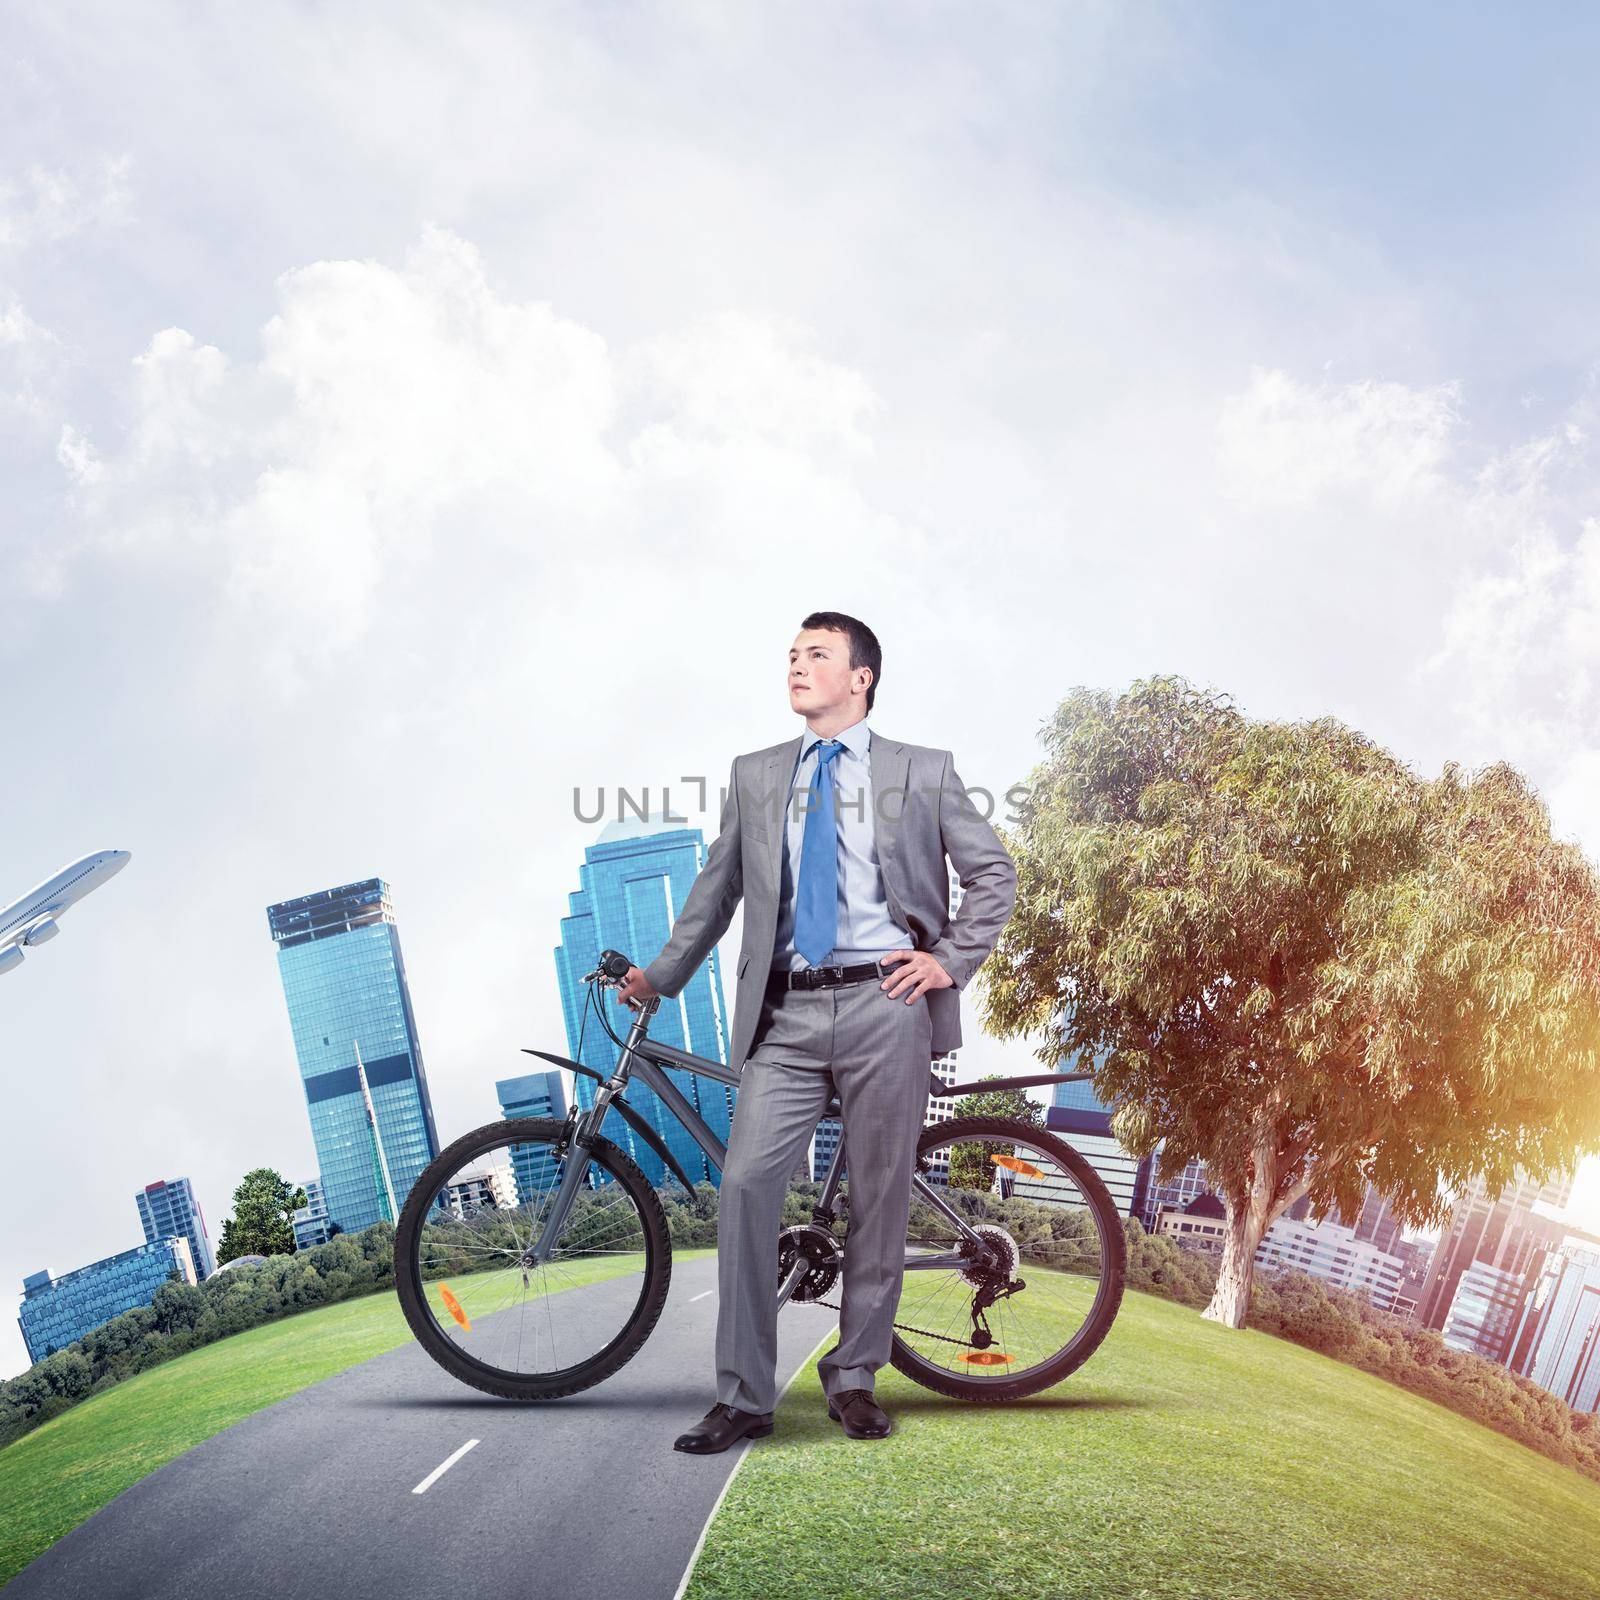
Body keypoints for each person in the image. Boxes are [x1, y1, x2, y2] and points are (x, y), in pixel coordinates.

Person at [615, 610, 1017, 1450]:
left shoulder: (923, 770)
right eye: (792, 654)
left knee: (880, 1200)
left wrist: (945, 962)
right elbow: (716, 891)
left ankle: (857, 1377)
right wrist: (660, 976)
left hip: (888, 1008)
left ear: (860, 676)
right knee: (746, 1187)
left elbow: (993, 874)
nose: (797, 665)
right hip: (786, 1013)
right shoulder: (757, 774)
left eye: (817, 655)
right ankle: (743, 1396)